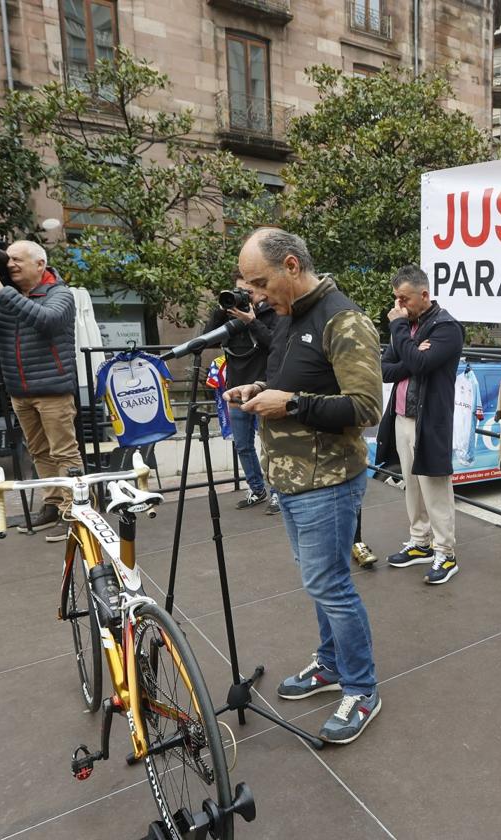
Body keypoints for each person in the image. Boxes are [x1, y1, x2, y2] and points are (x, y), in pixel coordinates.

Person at [225, 228, 384, 745]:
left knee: (331, 585)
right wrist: (258, 390)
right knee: (321, 581)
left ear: (291, 266)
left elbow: (366, 409)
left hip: (328, 482)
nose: (255, 295)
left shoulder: (344, 320)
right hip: (291, 480)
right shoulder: (289, 317)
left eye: (260, 282)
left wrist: (290, 404)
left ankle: (362, 688)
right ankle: (332, 664)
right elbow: (294, 381)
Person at [0, 240, 82, 541]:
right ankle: (52, 504)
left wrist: (2, 291)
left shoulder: (59, 295)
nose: (9, 264)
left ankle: (75, 511)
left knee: (64, 451)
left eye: (16, 260)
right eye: (7, 259)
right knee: (38, 451)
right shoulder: (3, 298)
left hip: (52, 388)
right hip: (18, 389)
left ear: (40, 264)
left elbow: (47, 321)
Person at [375, 265, 465, 584]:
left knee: (435, 488)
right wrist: (412, 357)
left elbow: (420, 363)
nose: (399, 306)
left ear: (424, 295)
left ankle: (446, 552)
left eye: (404, 299)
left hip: (430, 420)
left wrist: (403, 338)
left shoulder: (447, 328)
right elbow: (385, 370)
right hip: (402, 417)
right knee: (411, 486)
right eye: (396, 299)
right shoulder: (409, 327)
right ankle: (420, 542)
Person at [201, 273, 279, 513]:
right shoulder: (228, 318)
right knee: (242, 445)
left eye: (247, 292)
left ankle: (278, 493)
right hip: (234, 389)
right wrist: (221, 310)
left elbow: (276, 343)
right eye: (238, 291)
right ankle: (257, 489)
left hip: (263, 387)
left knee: (270, 445)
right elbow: (206, 339)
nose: (243, 296)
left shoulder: (271, 313)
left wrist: (251, 321)